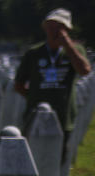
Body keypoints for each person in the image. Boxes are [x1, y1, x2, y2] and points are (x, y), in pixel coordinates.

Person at [14, 8, 91, 161]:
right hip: (35, 113)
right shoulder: (34, 53)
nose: (54, 31)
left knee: (56, 160)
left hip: (63, 115)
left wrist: (67, 45)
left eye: (59, 27)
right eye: (51, 26)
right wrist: (34, 96)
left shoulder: (75, 51)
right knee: (29, 158)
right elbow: (19, 84)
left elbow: (84, 71)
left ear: (67, 29)